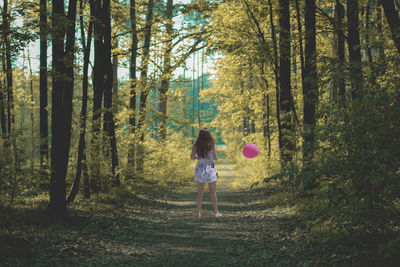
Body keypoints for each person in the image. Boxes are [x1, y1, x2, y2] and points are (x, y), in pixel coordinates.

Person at [191, 128, 222, 218]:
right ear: (209, 135)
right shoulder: (212, 145)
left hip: (200, 170)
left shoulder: (196, 145)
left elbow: (192, 157)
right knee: (213, 192)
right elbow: (215, 158)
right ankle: (216, 212)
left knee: (200, 193)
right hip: (210, 170)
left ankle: (198, 213)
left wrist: (198, 157)